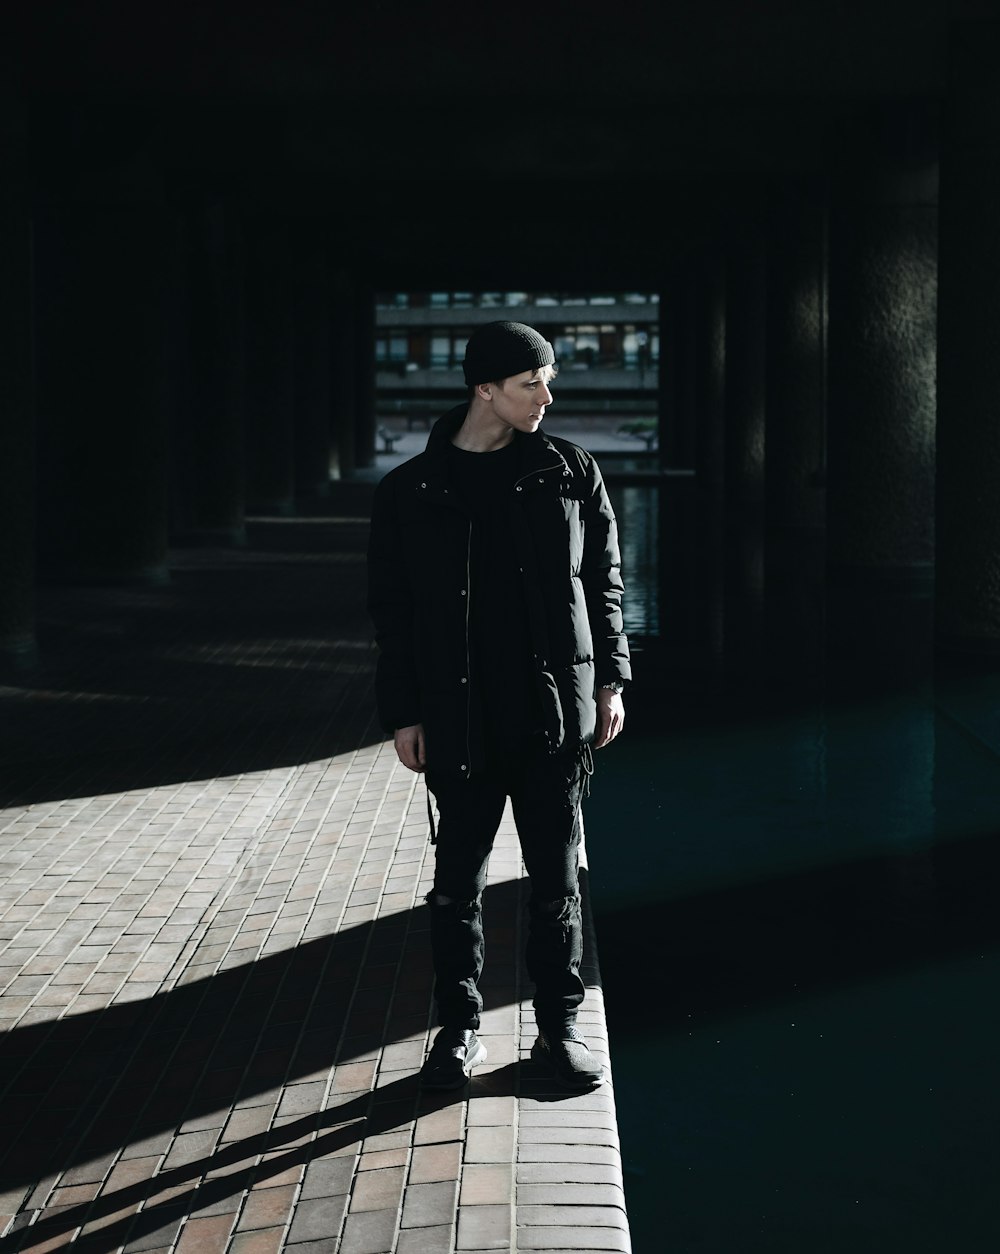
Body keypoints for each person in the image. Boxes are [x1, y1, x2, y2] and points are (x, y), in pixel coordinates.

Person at [367, 320, 630, 1090]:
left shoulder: (571, 473)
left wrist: (611, 683)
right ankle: (458, 1031)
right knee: (458, 883)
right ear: (485, 389)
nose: (547, 398)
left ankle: (560, 1029)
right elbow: (394, 614)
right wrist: (403, 713)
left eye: (548, 382)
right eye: (530, 385)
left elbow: (605, 586)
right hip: (458, 718)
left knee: (556, 881)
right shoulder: (410, 492)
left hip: (553, 715)